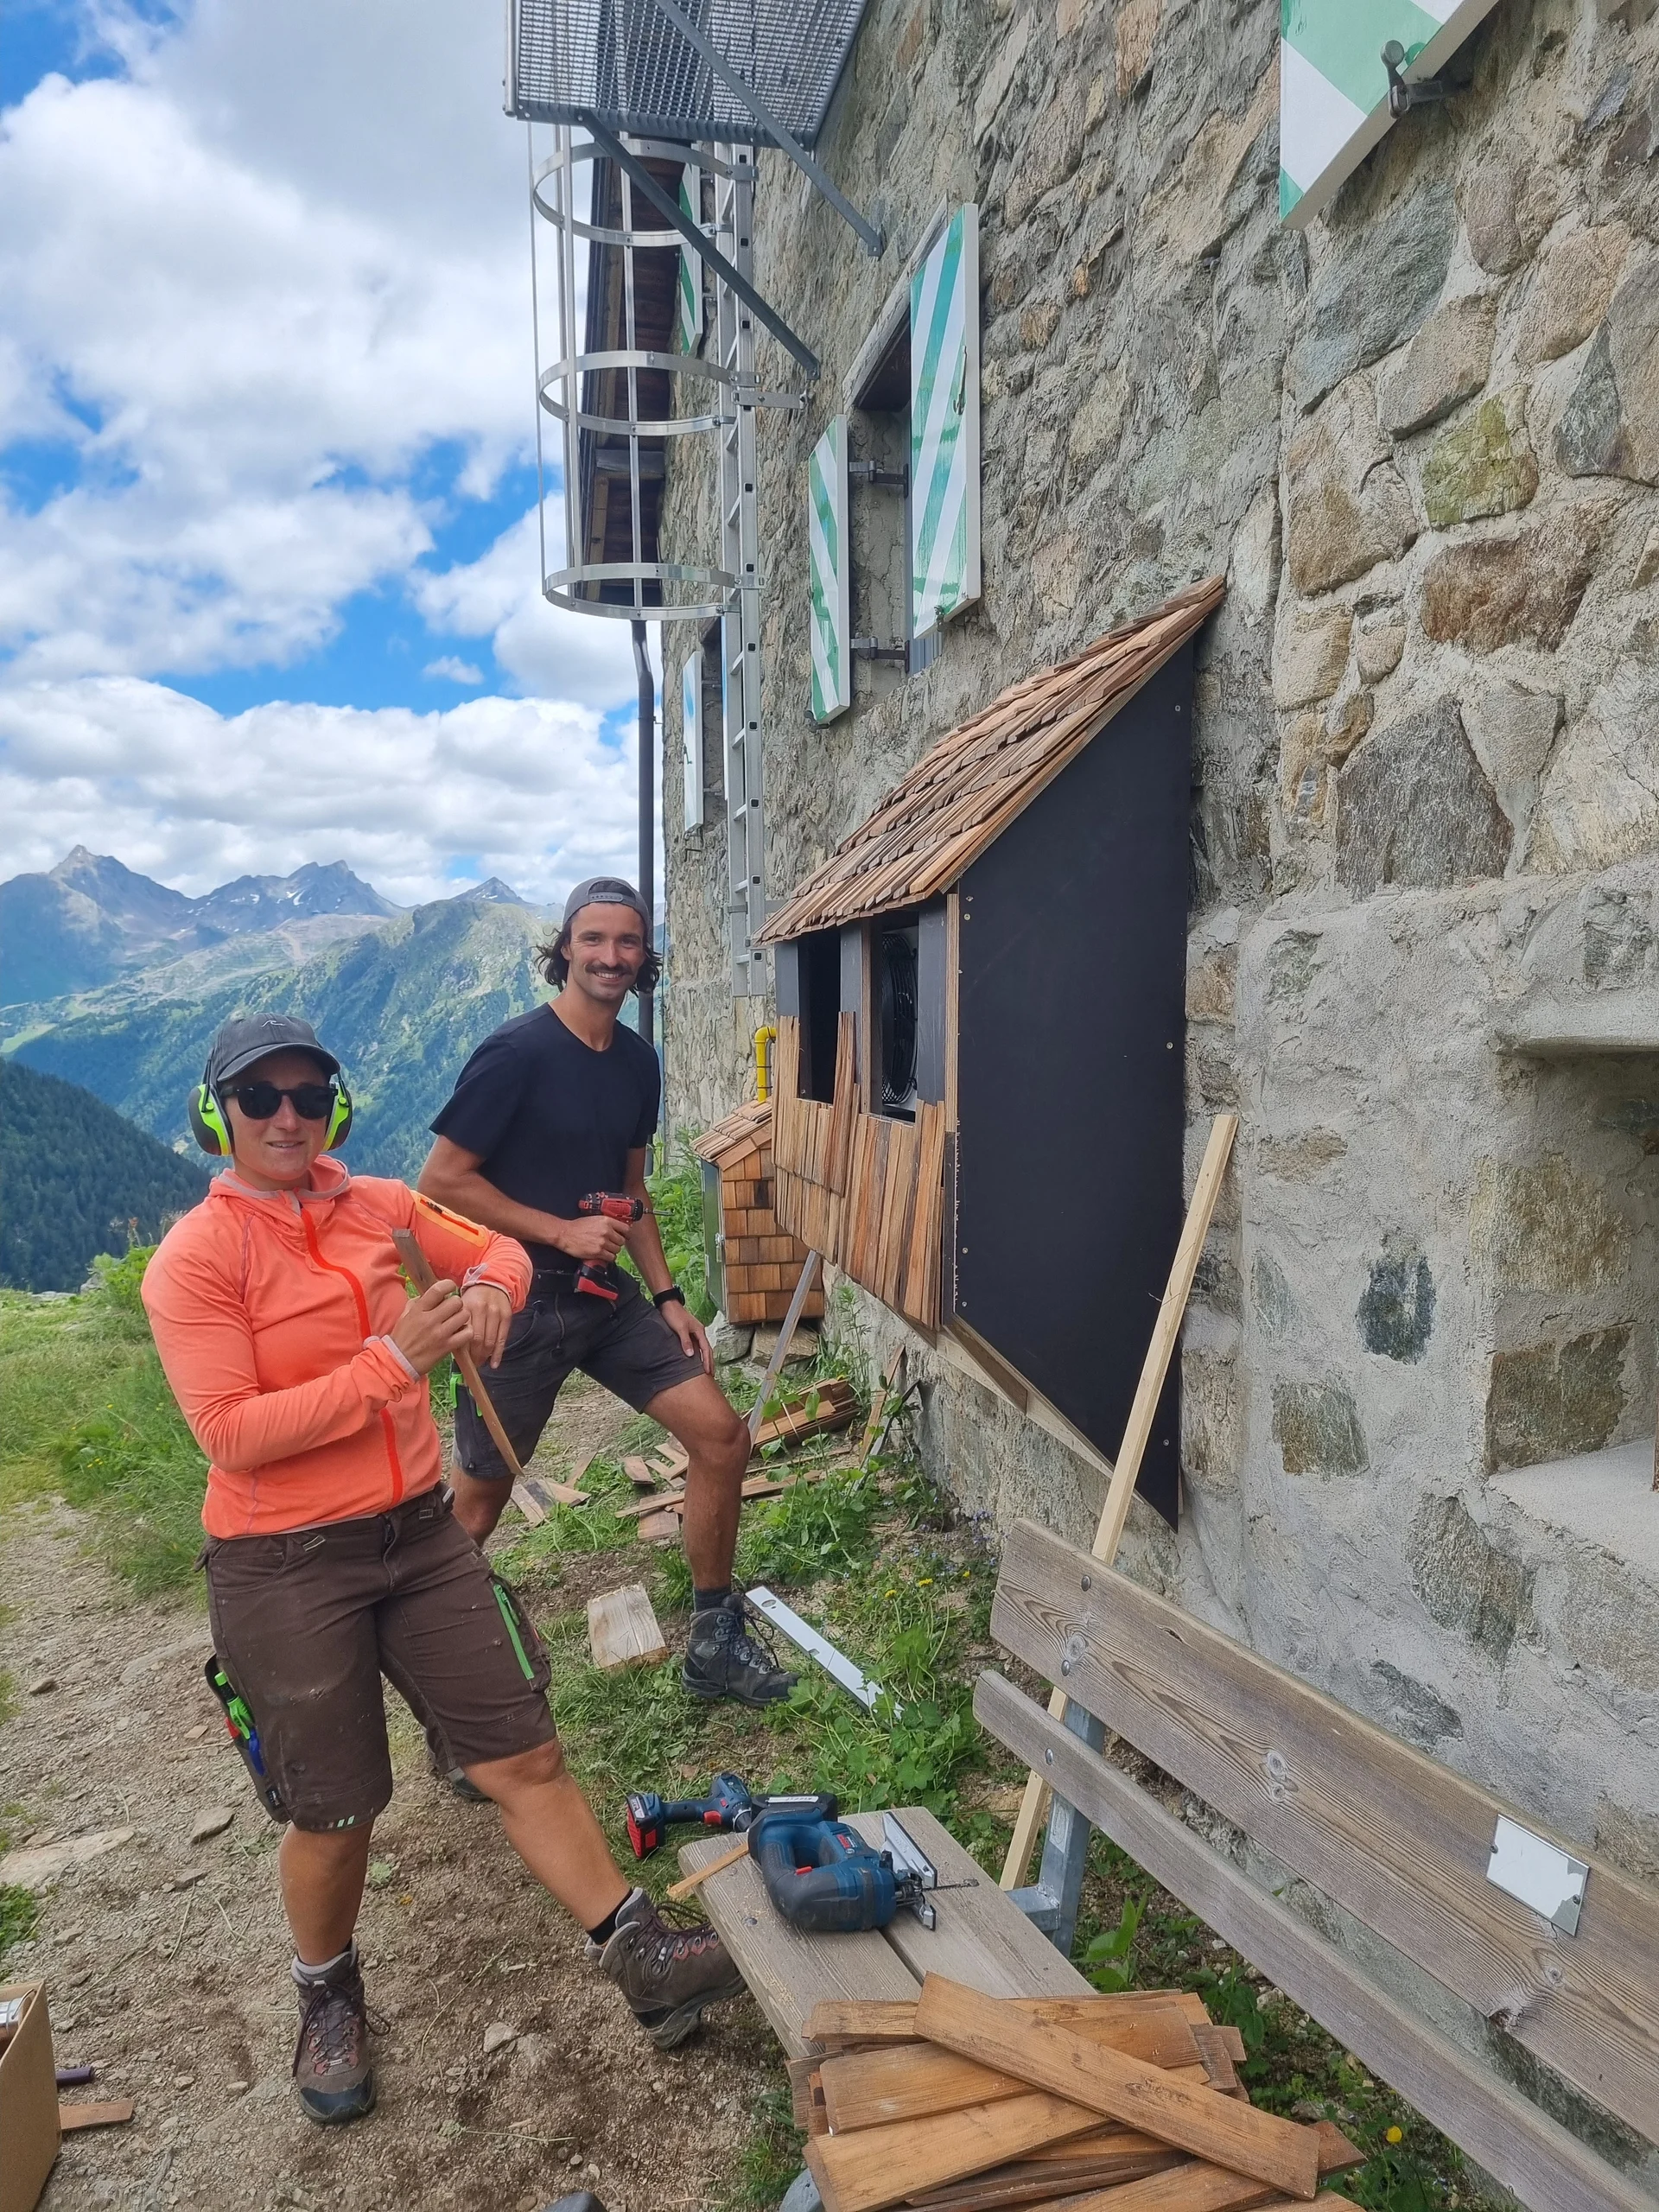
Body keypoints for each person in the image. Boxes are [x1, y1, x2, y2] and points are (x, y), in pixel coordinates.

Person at [142, 1014, 746, 2126]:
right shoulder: (196, 1258)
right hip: (282, 1563)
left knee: (525, 1751)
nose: (287, 1117)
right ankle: (327, 1992)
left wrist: (497, 1298)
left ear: (337, 1106)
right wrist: (393, 1361)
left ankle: (640, 1951)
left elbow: (499, 1245)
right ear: (215, 1112)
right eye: (260, 1098)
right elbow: (230, 1432)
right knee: (336, 1811)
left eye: (307, 1096)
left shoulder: (375, 1203)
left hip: (418, 1534)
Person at [418, 877, 796, 1708]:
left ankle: (711, 1641)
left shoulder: (636, 1063)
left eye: (627, 942)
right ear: (562, 951)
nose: (611, 957)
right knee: (476, 1511)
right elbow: (442, 1181)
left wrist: (666, 1296)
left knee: (723, 1437)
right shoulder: (514, 1054)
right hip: (511, 1305)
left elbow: (633, 1194)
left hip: (604, 1296)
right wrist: (555, 1231)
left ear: (644, 958)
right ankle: (453, 1699)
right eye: (593, 940)